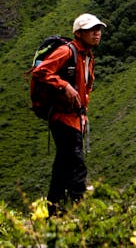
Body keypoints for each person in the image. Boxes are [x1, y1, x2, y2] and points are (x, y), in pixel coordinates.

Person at [31, 13, 106, 215]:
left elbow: (85, 89)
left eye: (98, 29)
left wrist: (84, 112)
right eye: (92, 30)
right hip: (62, 118)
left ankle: (53, 211)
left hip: (75, 118)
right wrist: (63, 85)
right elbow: (41, 72)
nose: (97, 33)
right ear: (79, 33)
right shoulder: (67, 51)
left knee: (63, 167)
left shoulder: (88, 57)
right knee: (76, 165)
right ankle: (80, 212)